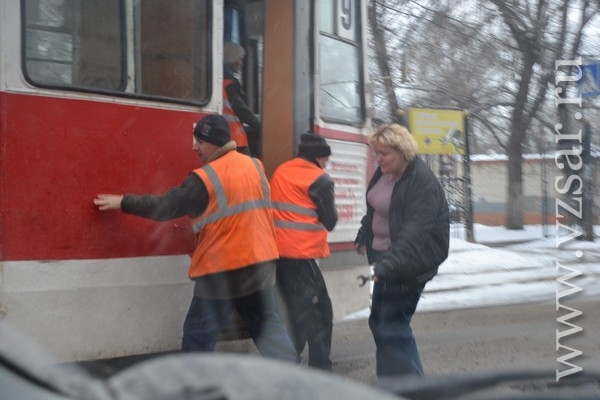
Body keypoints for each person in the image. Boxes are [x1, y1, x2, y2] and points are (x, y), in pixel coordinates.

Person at [93, 114, 298, 363]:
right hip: (260, 265)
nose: (194, 147)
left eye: (200, 141)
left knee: (197, 339)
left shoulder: (206, 178)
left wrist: (123, 202)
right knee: (269, 330)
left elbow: (166, 206)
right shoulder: (255, 165)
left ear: (214, 142)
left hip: (222, 272)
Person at [354, 123, 450, 378]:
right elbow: (375, 207)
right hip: (386, 262)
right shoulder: (384, 173)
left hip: (409, 264)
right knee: (379, 323)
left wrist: (386, 266)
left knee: (393, 326)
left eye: (383, 153)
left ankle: (413, 387)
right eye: (376, 152)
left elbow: (413, 235)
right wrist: (365, 232)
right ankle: (392, 382)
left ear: (402, 151)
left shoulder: (421, 181)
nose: (378, 158)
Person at [269, 133, 338, 371]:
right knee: (320, 313)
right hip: (301, 255)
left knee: (294, 310)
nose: (326, 164)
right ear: (319, 157)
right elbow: (330, 221)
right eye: (326, 159)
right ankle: (321, 368)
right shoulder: (320, 180)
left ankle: (289, 361)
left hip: (278, 254)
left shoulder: (282, 171)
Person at [223, 41, 261, 156]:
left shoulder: (222, 80)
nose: (242, 63)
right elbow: (241, 109)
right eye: (240, 59)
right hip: (234, 137)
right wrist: (259, 126)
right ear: (232, 60)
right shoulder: (230, 83)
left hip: (225, 135)